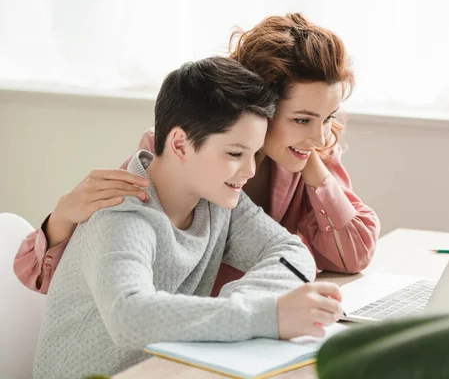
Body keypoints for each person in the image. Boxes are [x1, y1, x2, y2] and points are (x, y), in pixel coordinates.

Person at [14, 13, 380, 295]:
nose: (319, 135)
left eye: (328, 118)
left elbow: (354, 255)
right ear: (260, 107)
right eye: (302, 119)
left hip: (256, 327)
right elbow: (57, 279)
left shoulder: (310, 153)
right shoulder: (179, 154)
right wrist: (61, 219)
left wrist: (311, 161)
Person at [33, 57, 343, 379]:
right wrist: (267, 316)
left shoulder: (217, 201)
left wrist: (244, 308)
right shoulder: (121, 213)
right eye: (235, 154)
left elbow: (291, 253)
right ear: (180, 144)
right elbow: (129, 316)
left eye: (254, 154)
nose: (250, 171)